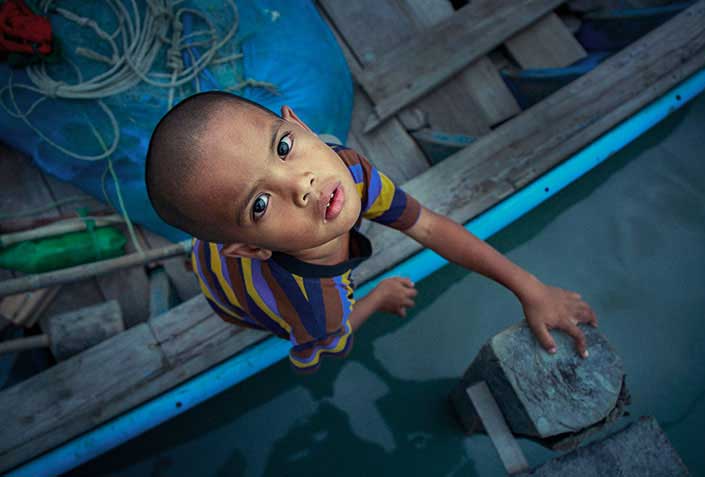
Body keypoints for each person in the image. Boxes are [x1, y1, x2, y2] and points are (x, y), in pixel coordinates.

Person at [145, 91, 598, 374]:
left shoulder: (352, 174)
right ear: (250, 246)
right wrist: (377, 297)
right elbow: (324, 351)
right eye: (260, 204)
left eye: (283, 146)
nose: (301, 184)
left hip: (216, 248)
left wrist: (529, 288)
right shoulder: (318, 305)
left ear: (299, 124)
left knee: (216, 225)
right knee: (253, 313)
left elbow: (428, 225)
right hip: (232, 295)